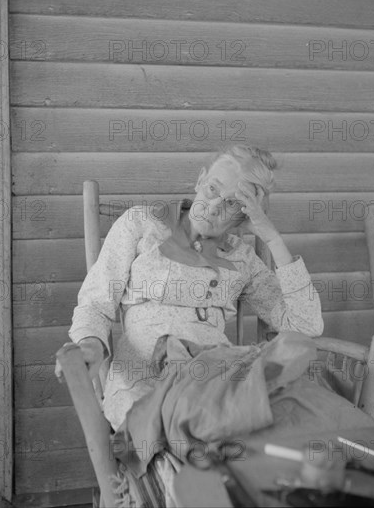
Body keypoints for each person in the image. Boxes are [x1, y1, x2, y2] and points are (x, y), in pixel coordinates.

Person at [55, 145, 324, 431]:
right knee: (193, 437)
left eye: (232, 203)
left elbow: (306, 325)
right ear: (200, 180)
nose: (213, 207)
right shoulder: (143, 224)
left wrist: (271, 238)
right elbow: (96, 302)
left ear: (246, 215)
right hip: (145, 384)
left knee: (290, 422)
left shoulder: (242, 258)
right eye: (212, 189)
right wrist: (90, 346)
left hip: (217, 383)